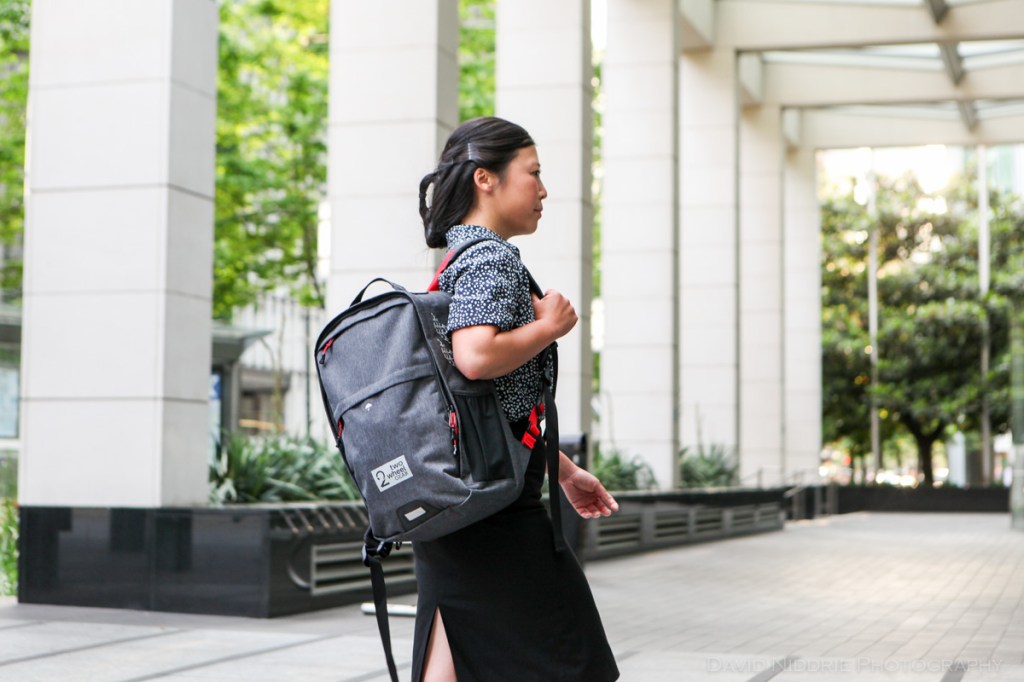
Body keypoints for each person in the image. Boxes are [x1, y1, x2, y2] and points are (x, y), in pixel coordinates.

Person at [412, 116, 621, 682]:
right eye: (533, 173)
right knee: (574, 660)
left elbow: (487, 406)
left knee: (451, 652)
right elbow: (476, 358)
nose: (544, 189)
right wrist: (548, 326)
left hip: (464, 496)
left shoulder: (459, 258)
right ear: (486, 179)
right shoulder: (490, 257)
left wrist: (565, 470)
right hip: (496, 510)